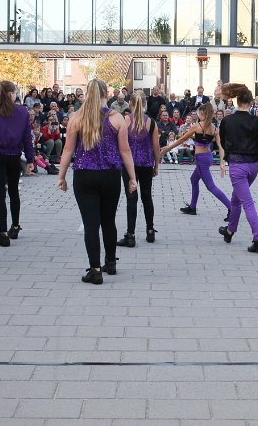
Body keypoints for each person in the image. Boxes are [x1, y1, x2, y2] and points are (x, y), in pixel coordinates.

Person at [58, 79, 137, 285]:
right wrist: (132, 178)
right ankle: (110, 262)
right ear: (105, 94)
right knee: (108, 220)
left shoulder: (76, 118)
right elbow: (125, 150)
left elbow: (67, 149)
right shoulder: (116, 118)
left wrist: (61, 176)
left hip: (84, 176)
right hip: (110, 176)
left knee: (91, 223)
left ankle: (94, 269)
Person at [217, 83, 258, 253]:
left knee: (247, 203)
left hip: (237, 166)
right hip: (253, 167)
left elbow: (222, 142)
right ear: (251, 102)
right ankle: (230, 231)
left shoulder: (227, 120)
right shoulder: (256, 121)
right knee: (236, 199)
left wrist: (227, 155)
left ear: (237, 101)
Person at [0, 81, 34, 247]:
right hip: (14, 155)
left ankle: (3, 232)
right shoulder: (22, 111)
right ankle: (15, 225)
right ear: (11, 93)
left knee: (0, 195)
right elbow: (27, 137)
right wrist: (30, 159)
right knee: (14, 191)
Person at [161, 103, 232, 218]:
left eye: (199, 112)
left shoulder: (197, 126)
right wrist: (222, 162)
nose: (198, 114)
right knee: (194, 179)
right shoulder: (214, 128)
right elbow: (220, 146)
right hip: (208, 157)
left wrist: (167, 149)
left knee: (211, 186)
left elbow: (182, 139)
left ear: (203, 113)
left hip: (201, 159)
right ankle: (192, 207)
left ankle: (231, 208)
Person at [118, 90, 159, 248]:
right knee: (147, 197)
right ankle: (150, 231)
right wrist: (157, 165)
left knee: (131, 198)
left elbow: (120, 144)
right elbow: (156, 147)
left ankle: (131, 234)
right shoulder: (151, 122)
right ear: (145, 103)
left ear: (131, 103)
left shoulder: (125, 120)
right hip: (146, 163)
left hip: (129, 165)